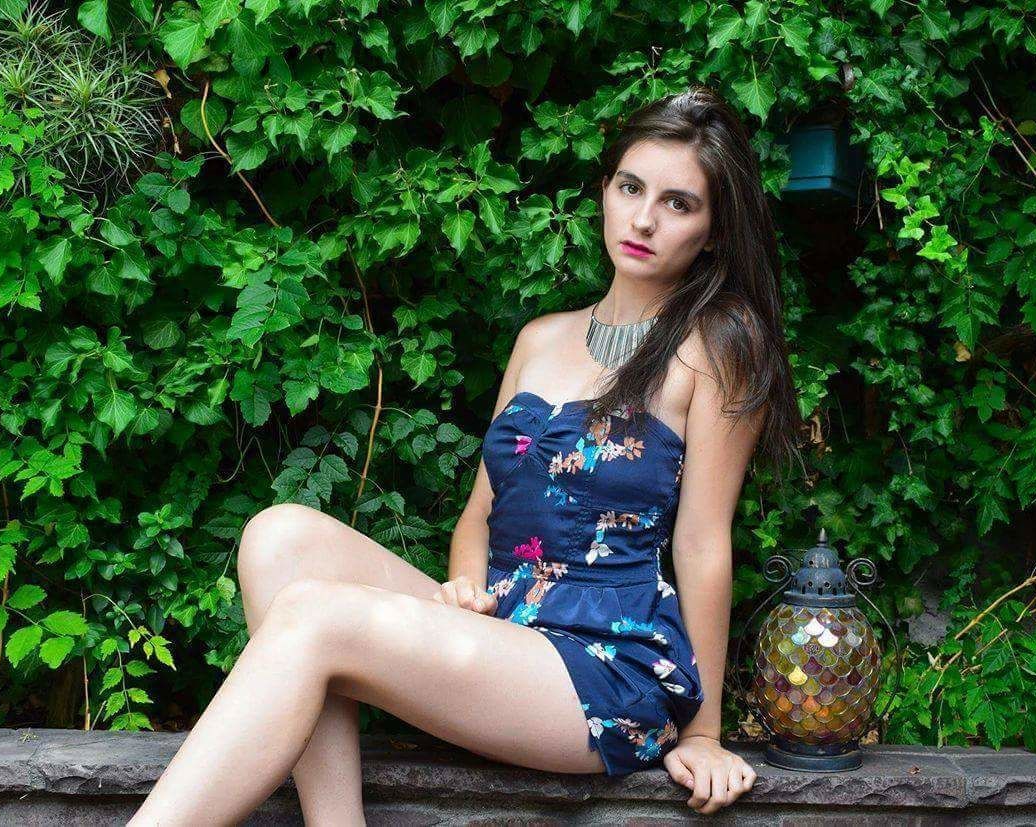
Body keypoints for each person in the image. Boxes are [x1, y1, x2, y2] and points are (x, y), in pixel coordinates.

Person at [130, 85, 802, 825]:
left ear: (712, 231)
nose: (643, 218)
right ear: (604, 190)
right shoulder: (539, 339)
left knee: (315, 617)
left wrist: (704, 732)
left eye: (679, 203)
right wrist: (460, 585)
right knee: (277, 536)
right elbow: (481, 513)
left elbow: (704, 542)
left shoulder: (717, 350)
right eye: (630, 187)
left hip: (606, 669)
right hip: (503, 626)